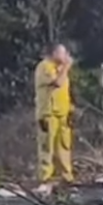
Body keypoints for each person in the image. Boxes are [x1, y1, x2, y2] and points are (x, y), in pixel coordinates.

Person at [34, 43, 74, 188]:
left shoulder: (61, 69)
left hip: (62, 114)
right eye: (63, 53)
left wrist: (70, 109)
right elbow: (57, 82)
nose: (66, 56)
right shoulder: (45, 67)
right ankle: (45, 178)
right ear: (54, 53)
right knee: (47, 147)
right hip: (48, 114)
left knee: (64, 146)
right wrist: (67, 67)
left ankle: (66, 177)